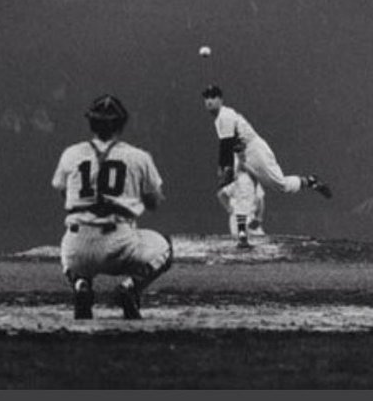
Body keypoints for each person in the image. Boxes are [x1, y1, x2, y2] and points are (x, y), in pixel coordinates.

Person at [50, 94, 173, 320]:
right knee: (165, 247)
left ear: (91, 123)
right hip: (118, 242)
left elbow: (63, 192)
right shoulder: (139, 156)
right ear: (121, 124)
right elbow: (154, 202)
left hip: (77, 243)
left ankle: (80, 284)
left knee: (68, 246)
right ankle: (130, 287)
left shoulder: (71, 154)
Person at [201, 84, 331, 249]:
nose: (209, 101)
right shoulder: (219, 119)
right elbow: (226, 147)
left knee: (280, 185)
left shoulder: (225, 115)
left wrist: (224, 169)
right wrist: (227, 168)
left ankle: (310, 181)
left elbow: (225, 146)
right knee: (243, 189)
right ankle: (242, 236)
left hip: (254, 151)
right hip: (241, 156)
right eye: (206, 98)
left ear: (220, 99)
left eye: (213, 97)